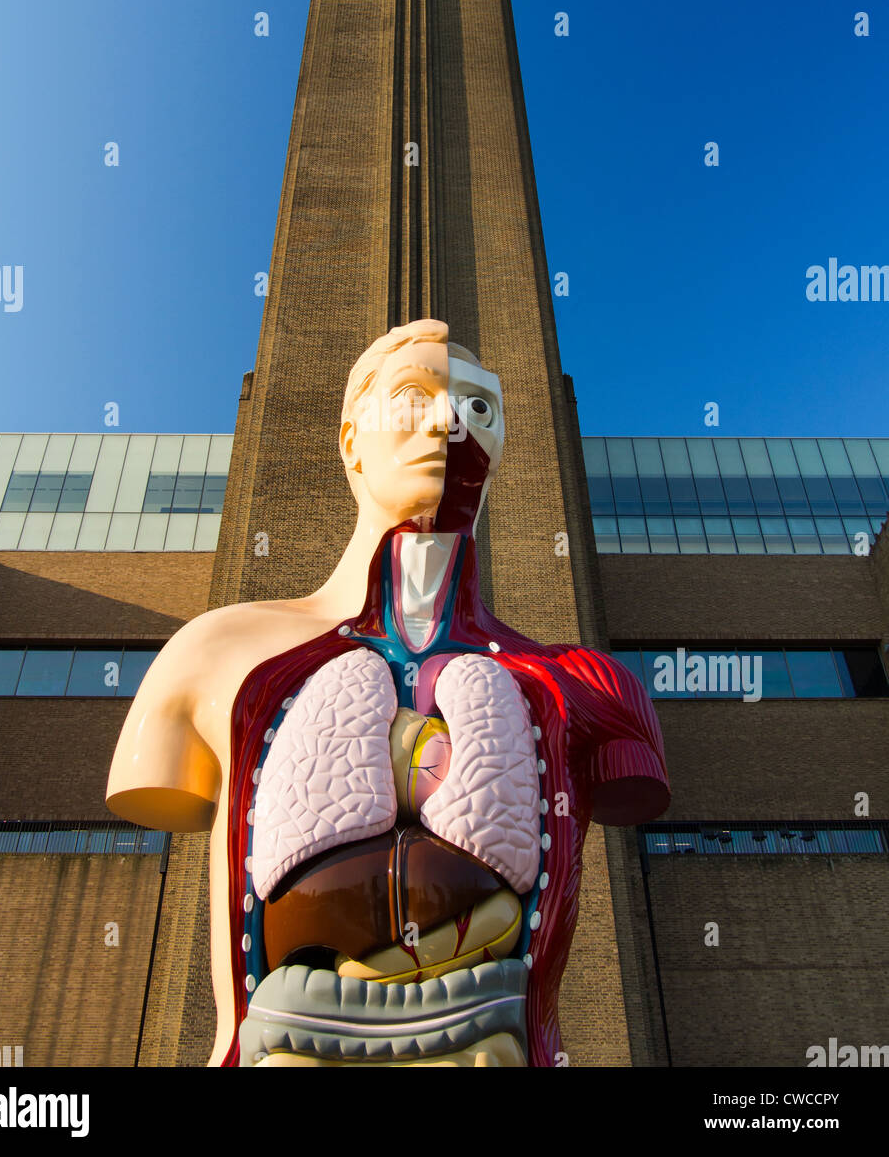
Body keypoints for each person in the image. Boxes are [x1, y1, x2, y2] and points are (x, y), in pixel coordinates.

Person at [107, 319, 669, 1066]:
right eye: (414, 396)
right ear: (350, 439)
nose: (447, 424)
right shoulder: (211, 655)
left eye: (477, 409)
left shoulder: (587, 686)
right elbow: (157, 789)